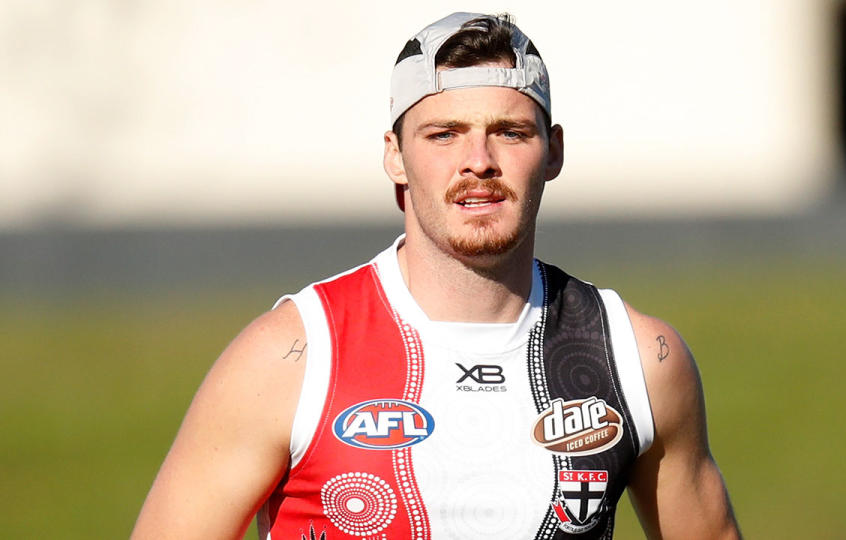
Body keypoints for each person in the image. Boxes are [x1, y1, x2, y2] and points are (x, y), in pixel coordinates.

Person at [132, 12, 740, 540]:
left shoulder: (637, 360)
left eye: (510, 132)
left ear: (553, 151)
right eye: (444, 135)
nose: (478, 161)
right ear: (395, 155)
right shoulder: (290, 357)